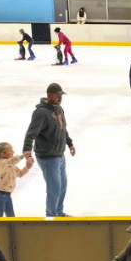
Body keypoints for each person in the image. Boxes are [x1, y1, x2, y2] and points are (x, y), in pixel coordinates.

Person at [23, 83, 76, 217]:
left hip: (59, 154)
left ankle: (58, 213)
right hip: (47, 157)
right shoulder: (40, 113)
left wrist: (69, 143)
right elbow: (31, 133)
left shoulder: (59, 109)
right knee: (54, 189)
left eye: (61, 96)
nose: (60, 98)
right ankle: (51, 216)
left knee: (62, 186)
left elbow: (63, 128)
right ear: (49, 95)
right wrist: (27, 149)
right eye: (57, 96)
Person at [0, 142, 34, 218]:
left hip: (7, 194)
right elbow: (10, 162)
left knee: (11, 216)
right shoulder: (1, 164)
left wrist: (27, 167)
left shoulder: (11, 165)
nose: (13, 152)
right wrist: (22, 156)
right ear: (3, 154)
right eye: (11, 150)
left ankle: (11, 229)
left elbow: (20, 174)